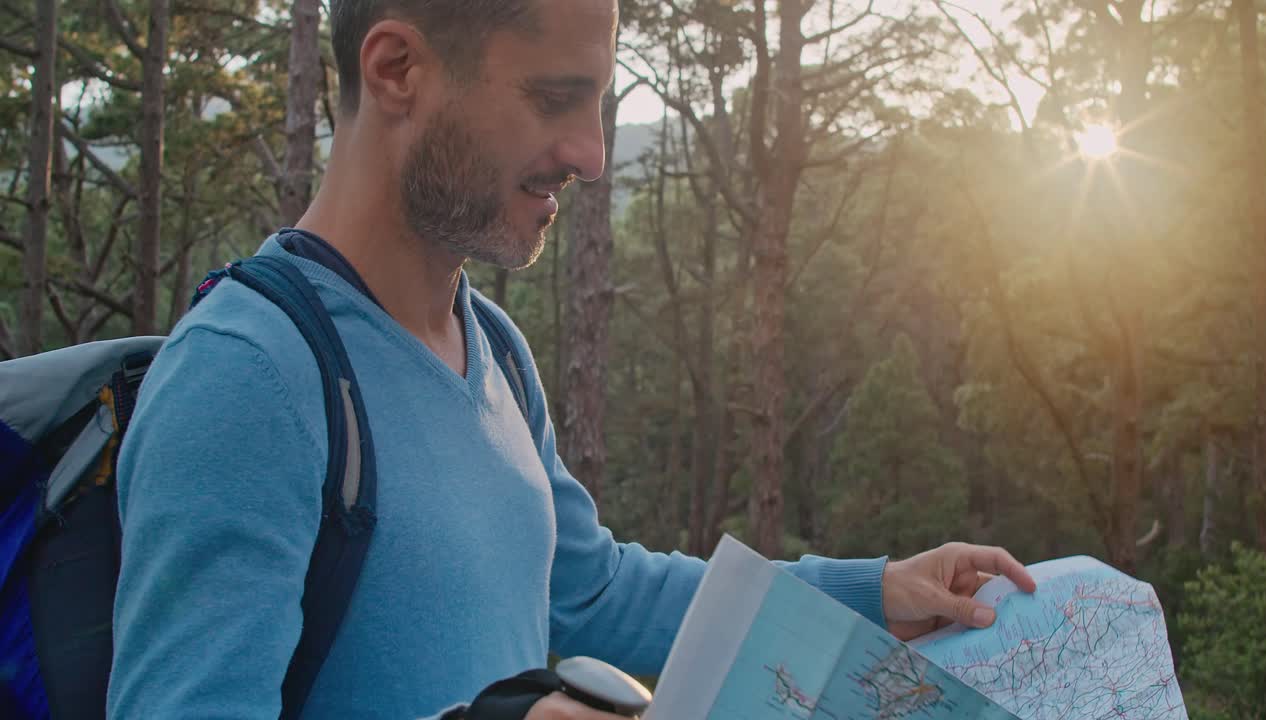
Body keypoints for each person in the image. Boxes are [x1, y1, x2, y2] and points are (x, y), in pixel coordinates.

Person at [105, 1, 1037, 718]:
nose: (591, 155)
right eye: (554, 98)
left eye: (597, 102)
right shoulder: (247, 376)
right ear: (397, 69)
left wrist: (872, 591)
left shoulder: (495, 350)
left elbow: (592, 591)